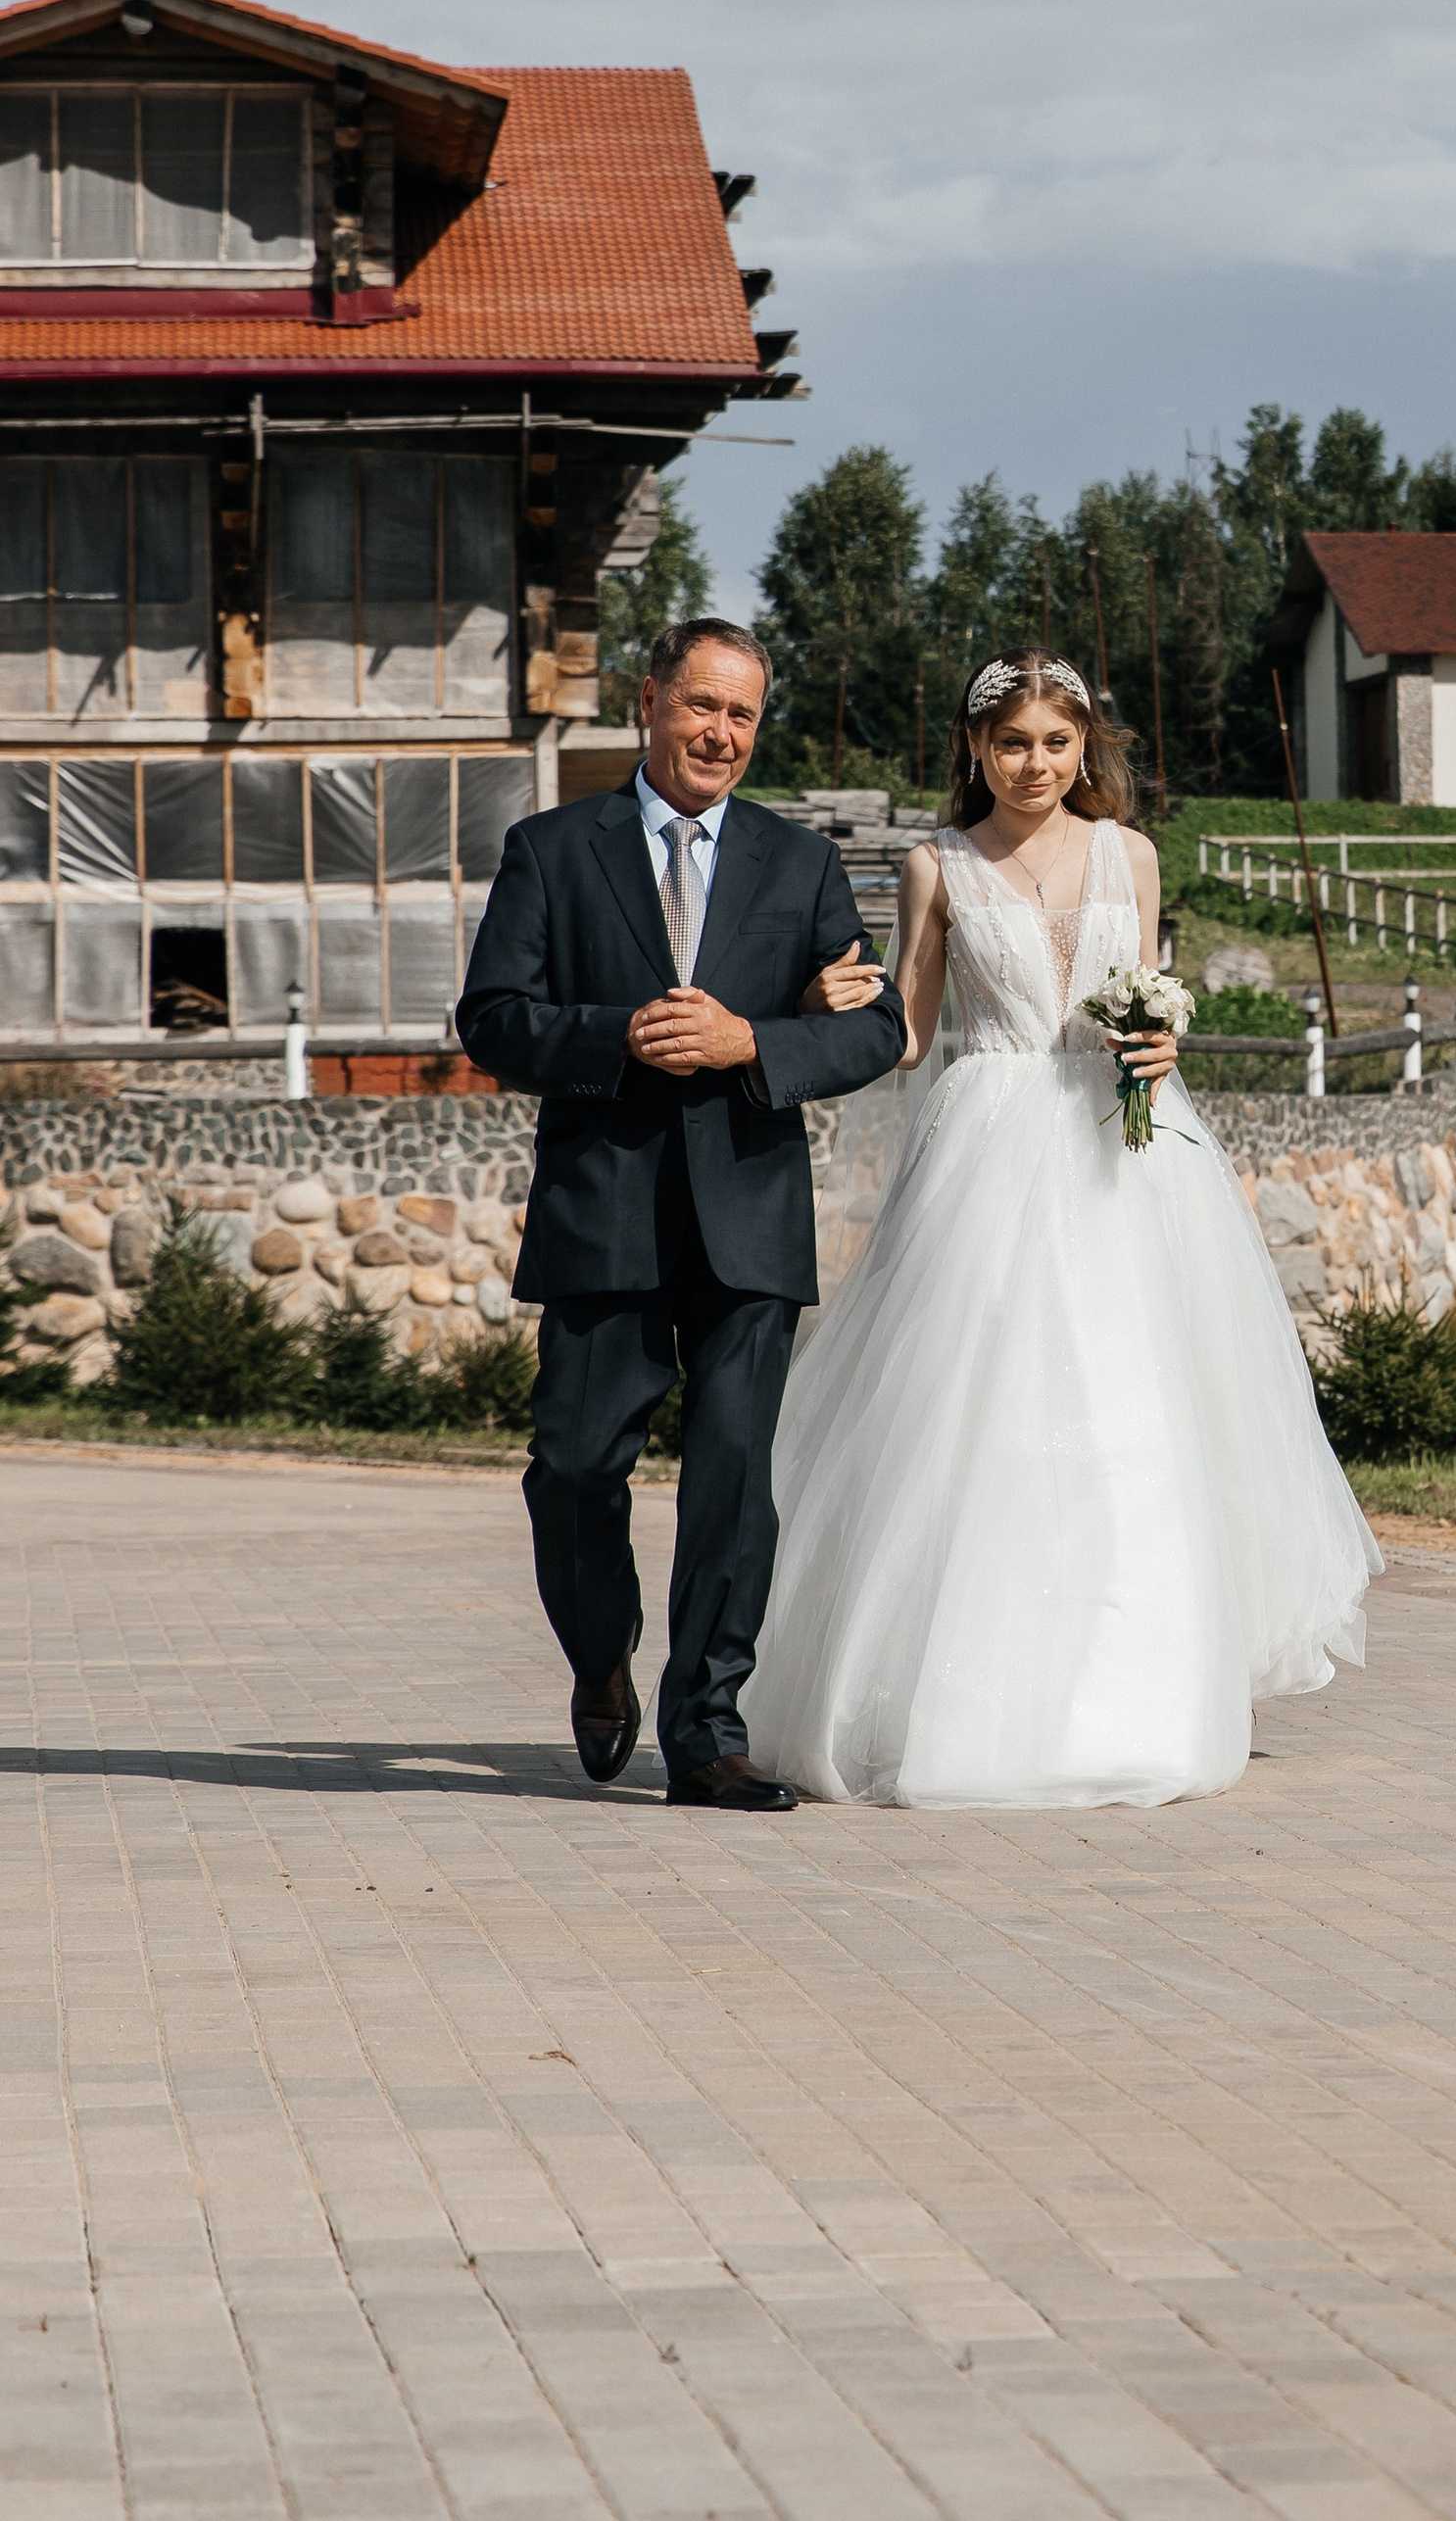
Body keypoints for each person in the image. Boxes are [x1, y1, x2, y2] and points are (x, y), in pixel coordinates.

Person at [743, 648, 1379, 1809]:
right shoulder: (936, 866)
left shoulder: (1129, 854)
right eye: (1012, 742)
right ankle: (952, 1696)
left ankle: (1127, 1698)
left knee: (1129, 1402)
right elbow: (908, 1031)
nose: (1034, 764)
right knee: (976, 1405)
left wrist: (1160, 1045)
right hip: (983, 1142)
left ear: (1087, 748)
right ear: (974, 749)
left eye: (1056, 742)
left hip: (1114, 1144)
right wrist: (806, 1012)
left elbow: (1146, 992)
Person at [456, 617, 906, 1810]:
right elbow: (492, 1015)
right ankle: (600, 1651)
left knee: (731, 1475)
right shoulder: (552, 848)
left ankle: (705, 1730)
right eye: (702, 705)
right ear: (650, 700)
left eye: (743, 714)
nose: (720, 733)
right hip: (600, 1207)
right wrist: (620, 1034)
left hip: (750, 1215)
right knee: (570, 1471)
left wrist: (754, 1037)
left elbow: (876, 1025)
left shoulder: (800, 864)